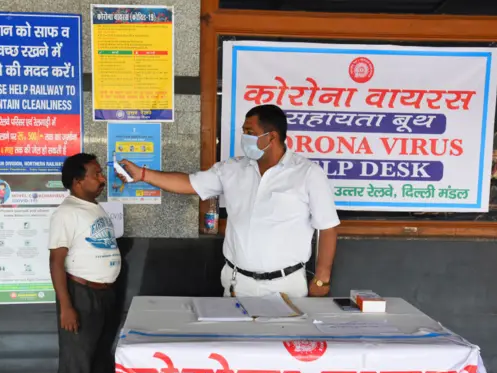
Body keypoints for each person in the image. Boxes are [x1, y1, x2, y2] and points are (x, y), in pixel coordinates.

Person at [117, 104, 339, 298]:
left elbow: (328, 228)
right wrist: (143, 175)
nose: (244, 137)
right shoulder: (233, 169)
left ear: (271, 137)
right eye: (244, 131)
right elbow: (188, 183)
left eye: (250, 132)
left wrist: (322, 280)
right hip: (237, 284)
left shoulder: (308, 173)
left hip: (286, 286)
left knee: (280, 346)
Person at [49, 153, 121, 373]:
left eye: (101, 173)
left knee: (95, 362)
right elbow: (56, 262)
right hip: (81, 295)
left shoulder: (93, 207)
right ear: (78, 182)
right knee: (75, 368)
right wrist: (66, 307)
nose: (102, 179)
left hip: (104, 294)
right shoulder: (66, 213)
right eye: (96, 174)